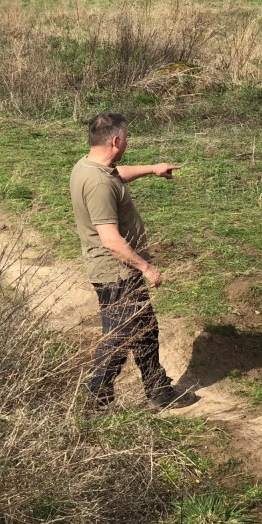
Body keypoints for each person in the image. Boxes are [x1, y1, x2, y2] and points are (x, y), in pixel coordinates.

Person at [70, 113, 197, 411]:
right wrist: (146, 267)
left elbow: (117, 175)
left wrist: (153, 169)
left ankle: (158, 389)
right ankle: (96, 402)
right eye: (126, 138)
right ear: (116, 141)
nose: (127, 143)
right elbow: (110, 239)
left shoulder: (88, 166)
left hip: (117, 272)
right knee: (118, 337)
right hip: (115, 273)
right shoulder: (98, 183)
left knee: (145, 329)